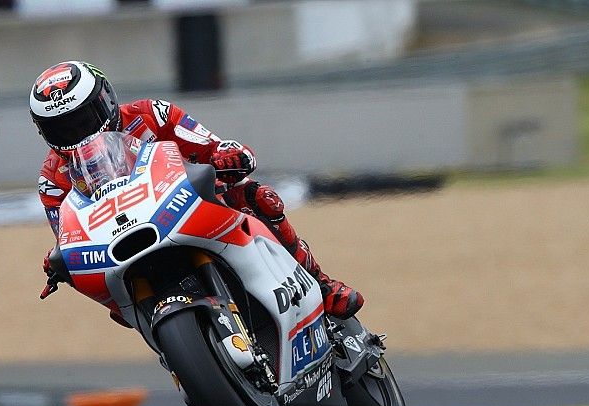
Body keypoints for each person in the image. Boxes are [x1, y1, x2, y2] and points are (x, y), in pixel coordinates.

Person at [31, 60, 363, 319]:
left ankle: (318, 283)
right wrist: (60, 258)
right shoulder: (52, 178)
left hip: (184, 208)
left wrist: (226, 154)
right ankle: (177, 353)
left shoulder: (152, 115)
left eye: (84, 119)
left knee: (254, 195)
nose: (80, 134)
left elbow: (208, 146)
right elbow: (68, 235)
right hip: (123, 243)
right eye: (63, 129)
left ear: (106, 99)